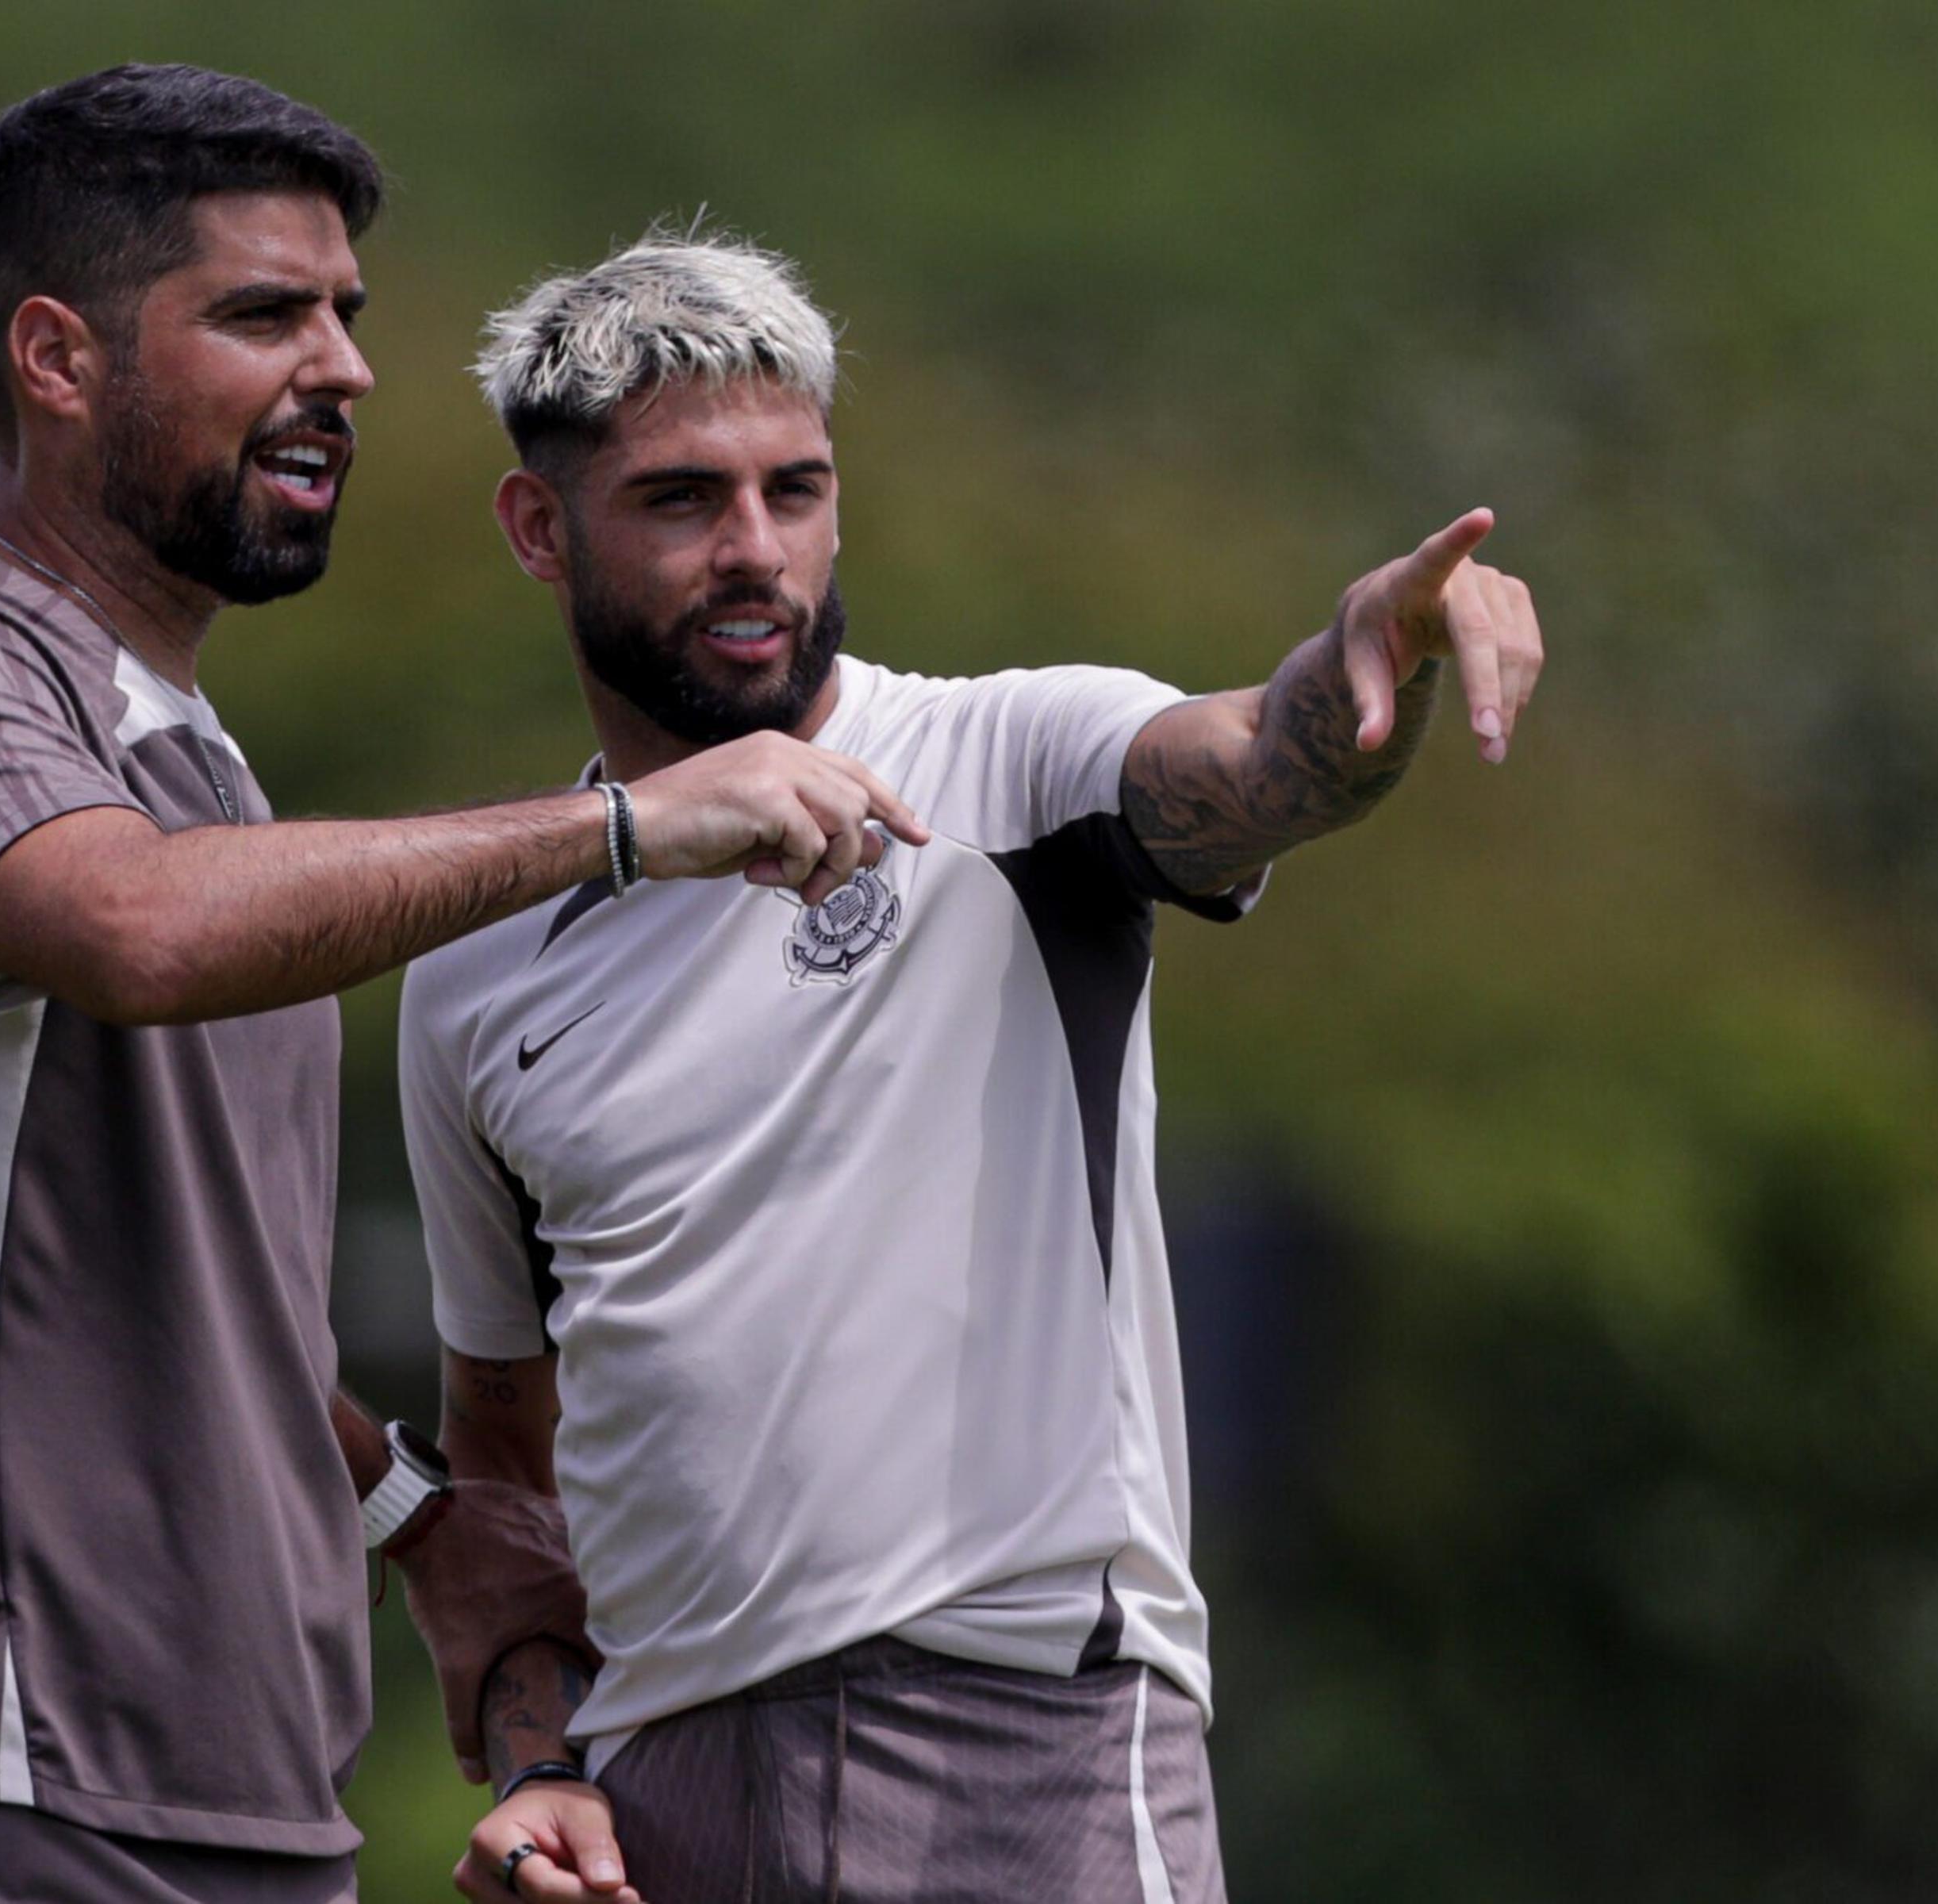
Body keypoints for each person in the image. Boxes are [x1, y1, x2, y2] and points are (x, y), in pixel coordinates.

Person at [0, 73, 927, 1904]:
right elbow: (140, 934)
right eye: (264, 314)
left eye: (350, 316)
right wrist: (628, 828)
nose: (340, 369)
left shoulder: (195, 766)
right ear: (58, 357)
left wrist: (418, 1520)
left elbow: (174, 1294)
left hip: (217, 1796)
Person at [395, 229, 1546, 1902]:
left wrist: (1376, 652)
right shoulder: (478, 964)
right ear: (536, 527)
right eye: (681, 501)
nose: (755, 552)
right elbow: (503, 1463)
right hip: (664, 1800)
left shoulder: (1009, 763)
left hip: (1027, 1739)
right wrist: (541, 1763)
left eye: (797, 490)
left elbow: (1253, 765)